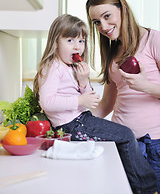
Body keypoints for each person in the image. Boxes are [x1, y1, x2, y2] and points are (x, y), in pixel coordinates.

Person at [33, 14, 157, 194]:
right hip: (72, 124)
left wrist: (83, 82)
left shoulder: (70, 67)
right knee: (126, 134)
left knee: (121, 137)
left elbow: (86, 102)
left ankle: (138, 185)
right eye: (70, 40)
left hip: (81, 119)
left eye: (81, 41)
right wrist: (80, 100)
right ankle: (146, 187)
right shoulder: (52, 66)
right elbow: (47, 102)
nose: (77, 46)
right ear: (55, 42)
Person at [86, 0, 160, 193]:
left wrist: (146, 86)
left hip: (154, 145)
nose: (103, 26)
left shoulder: (153, 39)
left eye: (107, 16)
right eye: (96, 22)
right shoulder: (111, 53)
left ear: (123, 9)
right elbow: (106, 104)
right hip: (120, 144)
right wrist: (73, 121)